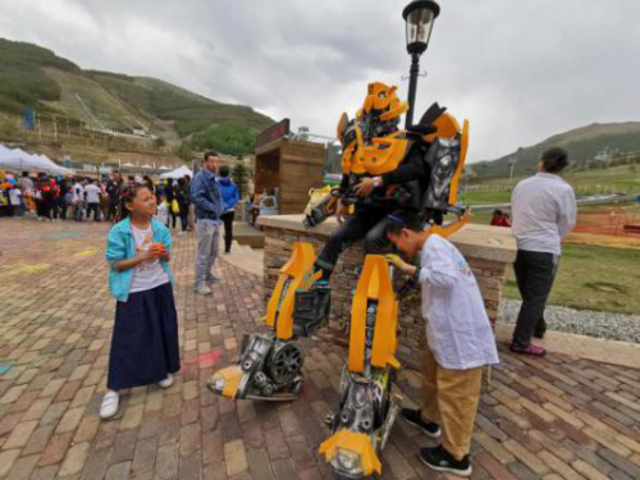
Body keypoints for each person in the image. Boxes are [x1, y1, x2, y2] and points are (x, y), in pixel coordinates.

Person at [384, 212, 499, 477]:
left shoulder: (434, 244)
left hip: (460, 336)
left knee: (457, 395)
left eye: (396, 243)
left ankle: (456, 456)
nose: (398, 250)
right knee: (433, 378)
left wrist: (405, 267)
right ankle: (429, 419)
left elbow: (446, 279)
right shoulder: (433, 247)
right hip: (444, 331)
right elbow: (435, 279)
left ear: (406, 233)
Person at [101, 182, 180, 419]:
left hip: (160, 286)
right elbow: (115, 263)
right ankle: (114, 388)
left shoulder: (160, 228)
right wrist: (143, 255)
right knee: (128, 338)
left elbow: (167, 257)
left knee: (162, 330)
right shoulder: (119, 231)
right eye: (145, 199)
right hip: (134, 291)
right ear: (129, 205)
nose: (152, 201)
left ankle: (161, 371)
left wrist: (162, 253)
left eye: (152, 196)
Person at [510, 147, 577, 356]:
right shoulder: (564, 189)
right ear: (562, 166)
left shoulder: (522, 185)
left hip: (519, 245)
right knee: (536, 297)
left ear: (541, 162)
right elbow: (567, 222)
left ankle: (538, 327)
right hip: (544, 248)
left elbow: (515, 210)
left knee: (529, 293)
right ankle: (521, 342)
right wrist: (553, 236)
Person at [191, 151, 224, 295]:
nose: (214, 164)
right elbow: (196, 196)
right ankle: (199, 283)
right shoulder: (200, 177)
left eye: (217, 161)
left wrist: (221, 207)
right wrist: (213, 208)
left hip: (214, 219)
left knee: (214, 250)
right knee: (203, 253)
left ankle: (207, 273)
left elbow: (217, 197)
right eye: (211, 161)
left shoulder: (213, 177)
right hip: (205, 219)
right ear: (205, 162)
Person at [218, 165, 240, 253]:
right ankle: (227, 249)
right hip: (230, 210)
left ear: (219, 173)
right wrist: (228, 205)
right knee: (228, 230)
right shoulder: (234, 185)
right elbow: (236, 197)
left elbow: (215, 196)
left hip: (219, 210)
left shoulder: (216, 185)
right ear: (228, 173)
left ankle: (214, 248)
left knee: (215, 229)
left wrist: (223, 205)